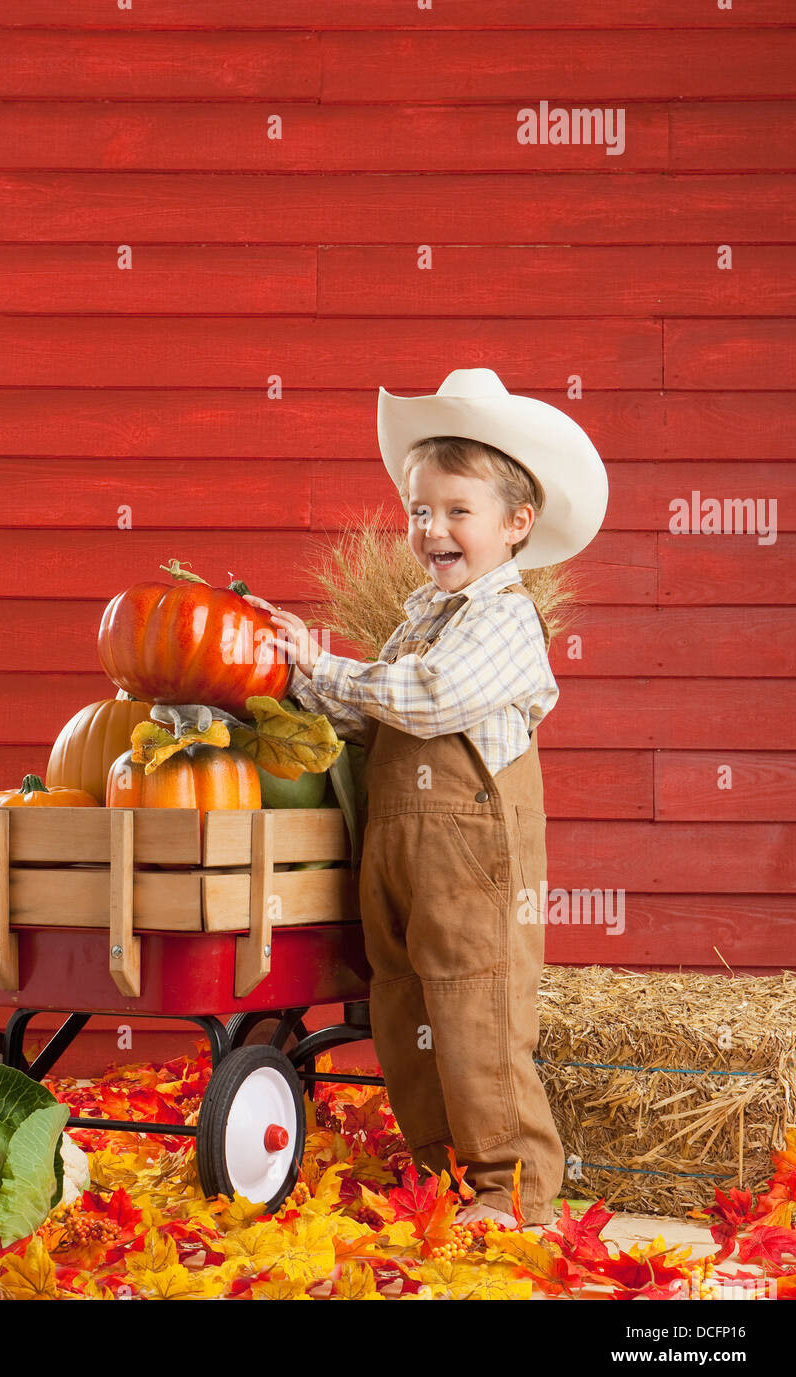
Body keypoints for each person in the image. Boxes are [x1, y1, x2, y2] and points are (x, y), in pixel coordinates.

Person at [242, 368, 608, 1229]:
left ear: (517, 526)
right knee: (406, 1003)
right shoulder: (422, 617)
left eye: (456, 510)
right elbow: (378, 717)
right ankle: (442, 1170)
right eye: (418, 509)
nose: (431, 528)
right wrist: (299, 670)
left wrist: (332, 669)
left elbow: (432, 698)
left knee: (477, 1007)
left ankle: (512, 1187)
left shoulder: (504, 619)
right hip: (399, 849)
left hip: (472, 860)